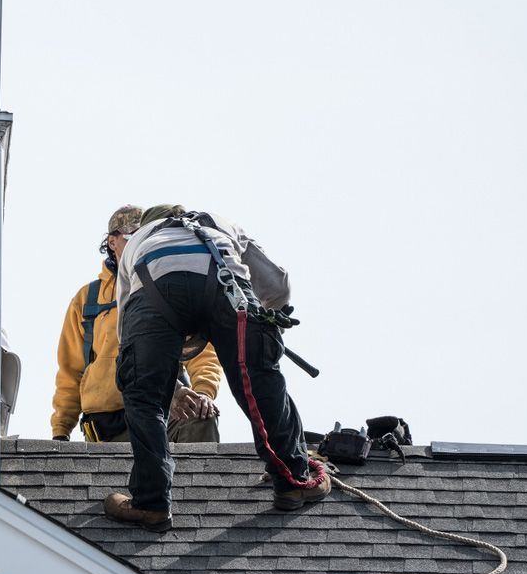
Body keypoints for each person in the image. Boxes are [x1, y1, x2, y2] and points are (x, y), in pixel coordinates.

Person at [103, 204, 330, 532]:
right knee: (259, 379)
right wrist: (264, 344)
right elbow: (277, 285)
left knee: (143, 395)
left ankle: (151, 504)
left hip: (154, 288)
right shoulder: (221, 224)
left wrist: (169, 385)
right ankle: (292, 479)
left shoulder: (138, 242)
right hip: (226, 286)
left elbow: (129, 335)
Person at [51, 204, 224, 444]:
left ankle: (197, 482)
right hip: (109, 425)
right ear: (112, 242)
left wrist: (203, 392)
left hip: (165, 407)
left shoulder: (168, 285)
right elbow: (70, 370)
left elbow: (201, 351)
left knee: (200, 416)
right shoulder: (87, 299)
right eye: (133, 236)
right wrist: (61, 430)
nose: (141, 242)